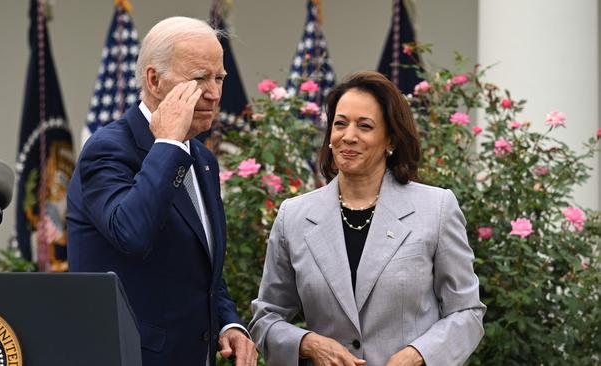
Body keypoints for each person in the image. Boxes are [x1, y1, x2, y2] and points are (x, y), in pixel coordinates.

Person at [249, 71, 486, 366]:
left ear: (390, 139)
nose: (349, 136)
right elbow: (267, 317)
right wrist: (308, 343)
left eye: (365, 126)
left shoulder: (436, 208)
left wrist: (418, 356)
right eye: (340, 124)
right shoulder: (293, 216)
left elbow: (466, 312)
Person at [67, 16, 257, 366]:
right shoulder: (108, 149)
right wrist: (167, 141)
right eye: (199, 78)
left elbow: (200, 267)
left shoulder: (201, 158)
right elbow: (132, 234)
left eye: (219, 78)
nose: (214, 93)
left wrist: (228, 321)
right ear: (154, 80)